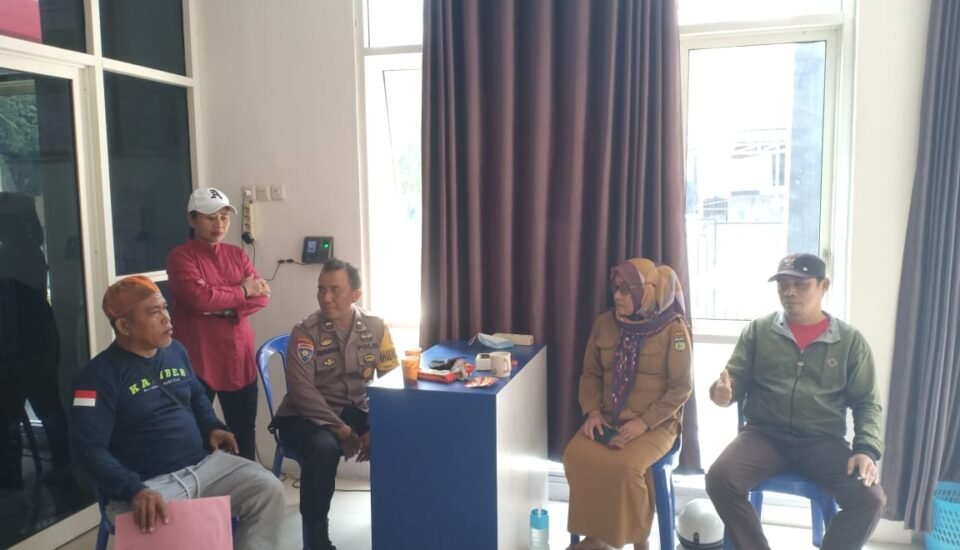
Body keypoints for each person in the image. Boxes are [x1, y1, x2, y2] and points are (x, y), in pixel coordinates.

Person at [69, 276, 285, 548]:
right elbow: (88, 451)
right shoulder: (96, 377)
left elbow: (196, 396)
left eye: (165, 308)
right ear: (124, 326)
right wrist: (133, 489)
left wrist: (212, 426)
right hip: (147, 485)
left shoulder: (175, 351)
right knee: (186, 539)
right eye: (154, 312)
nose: (166, 318)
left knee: (268, 489)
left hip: (203, 467)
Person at [704, 253, 885, 550]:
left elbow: (867, 402)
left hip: (822, 441)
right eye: (783, 285)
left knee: (870, 499)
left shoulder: (850, 341)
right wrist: (721, 392)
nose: (789, 292)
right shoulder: (759, 331)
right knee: (719, 479)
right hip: (764, 436)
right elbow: (732, 379)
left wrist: (866, 449)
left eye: (801, 284)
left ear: (824, 285)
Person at [563, 258, 693, 550]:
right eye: (615, 289)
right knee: (575, 456)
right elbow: (590, 373)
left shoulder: (673, 330)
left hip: (657, 424)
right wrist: (592, 412)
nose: (617, 296)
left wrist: (644, 422)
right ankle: (597, 537)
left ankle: (637, 541)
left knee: (625, 467)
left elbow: (681, 388)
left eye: (625, 290)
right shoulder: (605, 324)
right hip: (609, 417)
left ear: (645, 292)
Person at [272, 259, 399, 550]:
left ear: (356, 294)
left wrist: (376, 426)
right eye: (321, 289)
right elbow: (302, 392)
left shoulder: (376, 327)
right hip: (303, 417)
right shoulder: (305, 331)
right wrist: (341, 429)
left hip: (353, 410)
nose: (325, 297)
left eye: (334, 290)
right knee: (323, 447)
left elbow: (391, 381)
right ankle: (315, 540)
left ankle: (395, 519)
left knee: (398, 433)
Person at [166, 187, 270, 461]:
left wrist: (221, 307)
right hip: (198, 356)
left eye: (224, 217)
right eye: (210, 217)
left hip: (237, 355)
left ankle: (246, 487)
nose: (219, 224)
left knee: (243, 432)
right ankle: (204, 489)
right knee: (197, 433)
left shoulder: (238, 255)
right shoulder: (180, 257)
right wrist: (243, 290)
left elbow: (262, 297)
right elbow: (199, 298)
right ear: (192, 219)